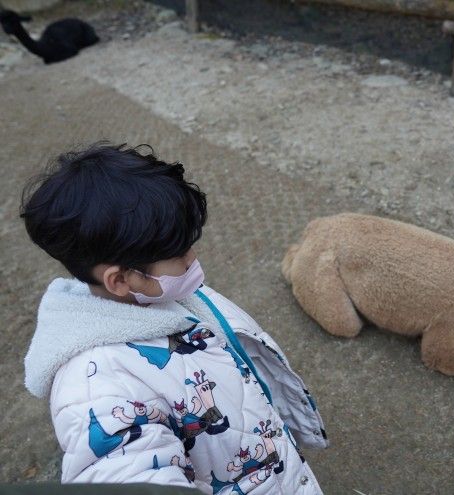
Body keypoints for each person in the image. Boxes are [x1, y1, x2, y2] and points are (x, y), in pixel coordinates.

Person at [21, 143, 327, 494]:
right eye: (179, 253)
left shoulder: (164, 295)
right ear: (121, 280)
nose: (193, 257)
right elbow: (121, 469)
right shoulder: (98, 389)